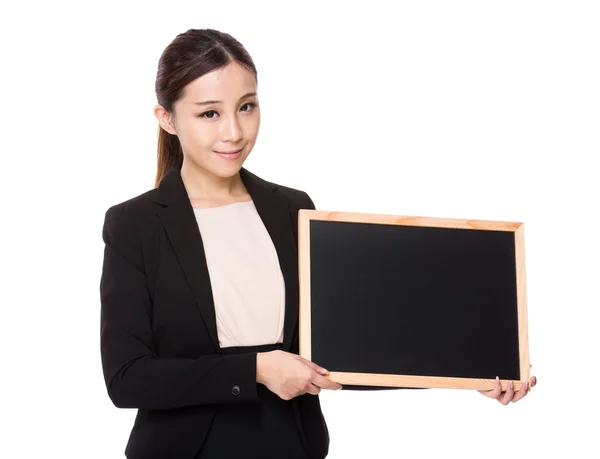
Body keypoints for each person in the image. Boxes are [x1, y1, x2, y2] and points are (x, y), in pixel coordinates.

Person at [99, 28, 537, 459]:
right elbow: (127, 378)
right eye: (209, 113)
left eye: (246, 107)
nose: (233, 131)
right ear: (167, 119)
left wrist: (470, 372)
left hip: (291, 445)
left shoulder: (291, 208)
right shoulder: (134, 225)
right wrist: (255, 370)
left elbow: (344, 349)